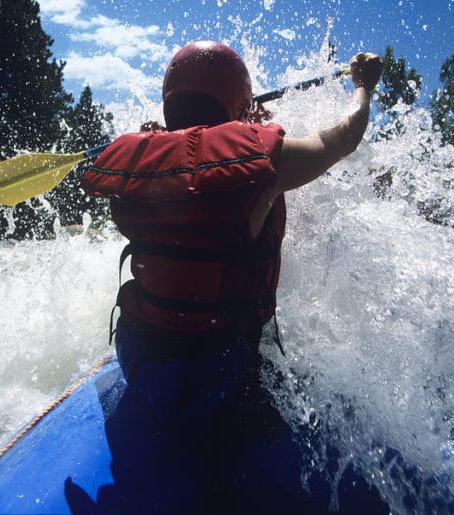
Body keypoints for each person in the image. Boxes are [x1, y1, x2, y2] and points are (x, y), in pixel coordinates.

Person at [80, 41, 383, 512]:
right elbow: (342, 139)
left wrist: (238, 124)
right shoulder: (264, 167)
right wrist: (363, 89)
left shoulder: (141, 156)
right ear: (238, 101)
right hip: (216, 371)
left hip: (139, 355)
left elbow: (188, 158)